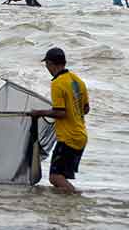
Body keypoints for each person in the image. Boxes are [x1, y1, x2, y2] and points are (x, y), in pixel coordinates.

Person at [30, 47, 89, 192]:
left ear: (51, 63)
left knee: (55, 177)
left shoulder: (57, 83)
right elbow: (86, 109)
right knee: (61, 175)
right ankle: (66, 206)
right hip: (80, 136)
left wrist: (38, 113)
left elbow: (60, 113)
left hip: (68, 138)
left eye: (46, 64)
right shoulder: (77, 81)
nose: (46, 68)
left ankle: (75, 197)